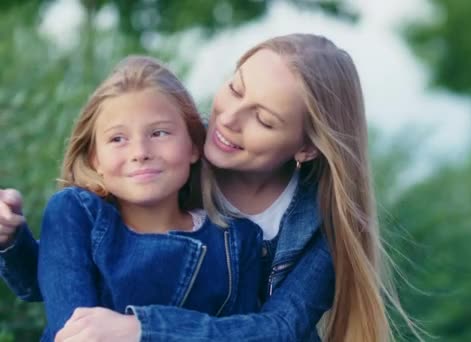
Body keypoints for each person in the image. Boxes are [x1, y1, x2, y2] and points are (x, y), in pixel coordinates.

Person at [0, 34, 418, 341]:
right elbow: (71, 276)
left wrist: (143, 329)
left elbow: (278, 330)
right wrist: (12, 242)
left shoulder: (320, 229)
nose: (228, 119)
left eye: (265, 119)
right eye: (235, 88)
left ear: (306, 147)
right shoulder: (165, 158)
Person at [6, 55, 264, 341]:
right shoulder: (74, 214)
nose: (140, 152)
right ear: (95, 161)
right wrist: (11, 241)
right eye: (118, 139)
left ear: (193, 145)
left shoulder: (237, 241)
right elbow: (69, 325)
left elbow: (240, 334)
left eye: (159, 133)